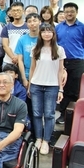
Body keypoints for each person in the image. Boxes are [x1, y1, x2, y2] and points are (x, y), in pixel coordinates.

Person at [28, 24, 65, 154]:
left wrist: (60, 89)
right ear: (40, 34)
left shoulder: (59, 50)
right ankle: (38, 138)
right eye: (43, 31)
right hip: (36, 85)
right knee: (37, 114)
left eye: (49, 31)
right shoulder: (35, 49)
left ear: (53, 33)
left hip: (52, 86)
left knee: (49, 115)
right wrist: (29, 86)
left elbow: (60, 71)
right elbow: (32, 68)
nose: (46, 34)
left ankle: (46, 141)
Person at [56, 3, 84, 125]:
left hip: (76, 61)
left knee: (74, 88)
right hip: (61, 60)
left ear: (76, 12)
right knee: (63, 87)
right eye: (66, 11)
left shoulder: (82, 27)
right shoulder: (58, 27)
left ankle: (73, 114)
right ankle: (63, 114)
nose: (69, 14)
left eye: (71, 11)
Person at [14, 13, 41, 88]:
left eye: (35, 20)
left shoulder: (46, 37)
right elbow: (20, 60)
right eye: (29, 21)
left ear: (40, 22)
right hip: (27, 73)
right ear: (26, 24)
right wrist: (24, 78)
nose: (32, 23)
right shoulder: (22, 39)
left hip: (42, 73)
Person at [1, 2, 29, 66]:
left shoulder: (28, 26)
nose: (16, 12)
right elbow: (5, 46)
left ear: (23, 11)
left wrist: (20, 59)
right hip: (9, 61)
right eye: (13, 10)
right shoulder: (6, 27)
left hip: (25, 61)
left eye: (18, 10)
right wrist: (13, 57)